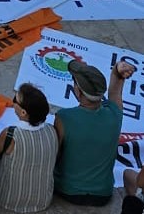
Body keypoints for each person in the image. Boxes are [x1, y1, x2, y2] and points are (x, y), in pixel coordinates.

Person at [53, 57, 132, 206]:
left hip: (67, 190)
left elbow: (53, 155)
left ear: (78, 90)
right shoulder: (115, 115)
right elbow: (115, 93)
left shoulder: (64, 117)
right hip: (102, 194)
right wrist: (117, 71)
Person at [0, 83, 58, 214]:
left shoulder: (11, 134)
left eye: (15, 100)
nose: (13, 102)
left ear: (23, 112)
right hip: (43, 200)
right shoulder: (51, 130)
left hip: (7, 199)